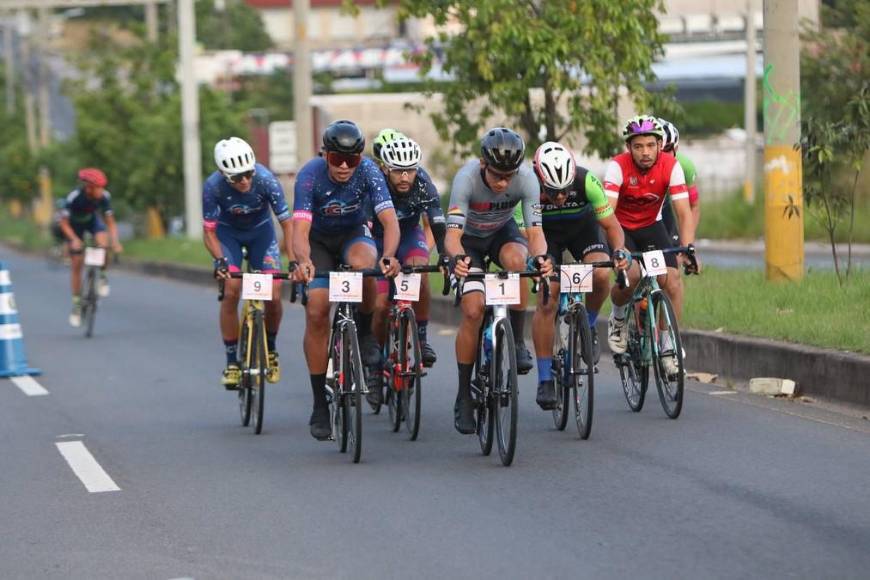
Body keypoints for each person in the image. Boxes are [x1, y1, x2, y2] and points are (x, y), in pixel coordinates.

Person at [292, 120, 401, 440]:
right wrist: (303, 261)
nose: (343, 166)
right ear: (324, 155)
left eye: (350, 159)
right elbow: (298, 231)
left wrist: (390, 255)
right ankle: (319, 404)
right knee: (316, 308)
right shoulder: (309, 175)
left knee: (368, 266)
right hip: (318, 243)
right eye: (336, 159)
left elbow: (389, 222)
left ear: (360, 158)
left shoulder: (369, 172)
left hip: (353, 236)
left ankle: (365, 332)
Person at [445, 127, 553, 434]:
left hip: (501, 234)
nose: (504, 182)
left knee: (518, 262)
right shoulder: (465, 179)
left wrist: (542, 257)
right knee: (473, 310)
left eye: (509, 175)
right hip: (469, 241)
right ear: (483, 164)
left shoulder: (527, 178)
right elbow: (452, 238)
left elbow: (535, 233)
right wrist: (456, 260)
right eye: (496, 175)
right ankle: (464, 394)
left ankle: (517, 341)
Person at [523, 142, 629, 409]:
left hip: (583, 230)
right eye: (553, 192)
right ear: (539, 179)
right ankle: (545, 378)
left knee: (602, 272)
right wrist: (537, 261)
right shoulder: (527, 185)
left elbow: (611, 225)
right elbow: (526, 236)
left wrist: (618, 250)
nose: (560, 197)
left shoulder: (586, 180)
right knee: (548, 299)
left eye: (565, 190)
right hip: (546, 237)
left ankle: (589, 326)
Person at [603, 115, 700, 378]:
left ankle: (669, 345)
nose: (645, 152)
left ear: (659, 145)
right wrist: (617, 249)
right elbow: (607, 213)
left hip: (651, 227)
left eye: (650, 145)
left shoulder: (672, 166)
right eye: (638, 146)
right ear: (629, 148)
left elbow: (683, 212)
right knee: (632, 276)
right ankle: (619, 315)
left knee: (672, 280)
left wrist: (688, 248)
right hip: (621, 227)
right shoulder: (617, 167)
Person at [203, 137, 294, 389]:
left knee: (274, 294)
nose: (244, 181)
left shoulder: (265, 180)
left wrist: (295, 259)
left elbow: (287, 223)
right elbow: (209, 232)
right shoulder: (213, 187)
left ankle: (271, 349)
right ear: (223, 175)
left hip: (261, 236)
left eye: (247, 174)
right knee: (231, 291)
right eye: (236, 177)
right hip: (228, 236)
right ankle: (232, 362)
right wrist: (220, 260)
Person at [369, 135, 447, 394]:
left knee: (421, 273)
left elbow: (436, 223)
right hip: (378, 239)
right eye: (398, 171)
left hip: (410, 235)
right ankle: (375, 362)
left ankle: (421, 339)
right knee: (380, 305)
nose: (405, 177)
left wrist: (446, 255)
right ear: (385, 169)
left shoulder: (423, 182)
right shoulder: (375, 183)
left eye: (410, 170)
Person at [58, 168, 123, 327]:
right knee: (77, 263)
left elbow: (110, 222)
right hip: (74, 226)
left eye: (102, 187)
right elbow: (63, 224)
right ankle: (77, 305)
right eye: (98, 188)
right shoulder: (74, 197)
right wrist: (73, 239)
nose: (101, 191)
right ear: (89, 188)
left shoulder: (104, 197)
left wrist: (115, 241)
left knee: (104, 242)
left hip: (92, 222)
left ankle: (102, 275)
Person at [657, 118, 701, 242]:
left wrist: (687, 243)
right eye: (657, 151)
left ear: (676, 149)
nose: (661, 157)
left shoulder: (684, 166)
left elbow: (694, 207)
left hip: (665, 206)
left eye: (666, 151)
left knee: (684, 255)